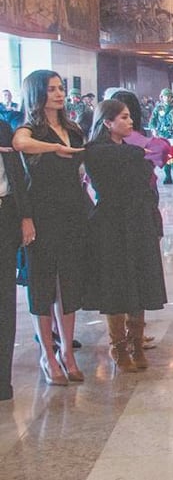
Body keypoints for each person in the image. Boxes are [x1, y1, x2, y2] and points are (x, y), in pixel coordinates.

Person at [13, 70, 89, 385]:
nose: (59, 94)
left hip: (73, 211)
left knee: (69, 282)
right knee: (43, 284)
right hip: (42, 212)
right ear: (37, 93)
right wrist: (54, 149)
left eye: (60, 88)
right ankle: (48, 353)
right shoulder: (30, 129)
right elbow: (20, 143)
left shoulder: (73, 128)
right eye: (51, 89)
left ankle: (67, 353)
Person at [83, 100, 168, 373]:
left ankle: (137, 342)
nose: (130, 122)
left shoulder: (130, 150)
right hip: (112, 222)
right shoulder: (97, 151)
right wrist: (140, 153)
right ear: (107, 122)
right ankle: (118, 345)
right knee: (117, 282)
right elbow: (136, 160)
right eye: (123, 117)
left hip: (139, 218)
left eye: (130, 117)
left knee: (140, 278)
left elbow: (156, 157)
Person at [0, 117, 32, 400]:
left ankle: (2, 381)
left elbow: (17, 174)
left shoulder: (2, 126)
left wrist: (24, 215)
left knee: (4, 301)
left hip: (5, 214)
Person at [149, 88, 173, 184]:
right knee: (165, 157)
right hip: (162, 136)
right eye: (165, 96)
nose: (167, 98)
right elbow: (152, 121)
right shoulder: (158, 108)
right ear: (161, 97)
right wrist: (153, 130)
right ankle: (168, 177)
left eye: (169, 96)